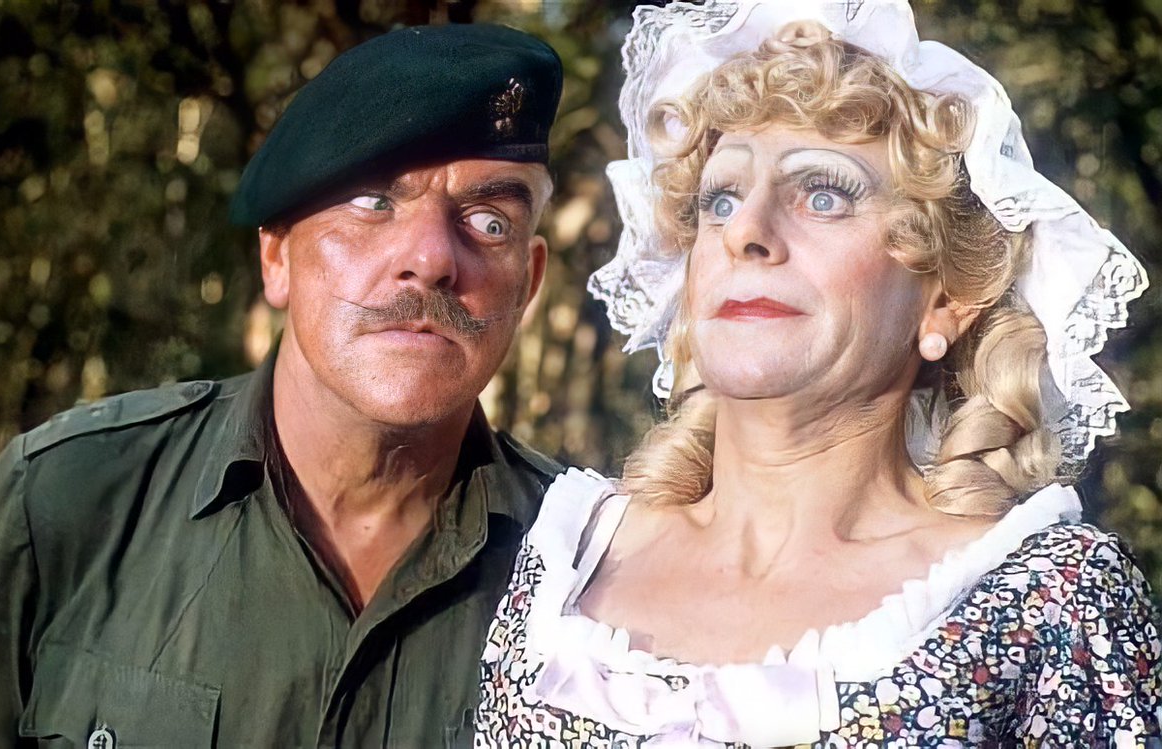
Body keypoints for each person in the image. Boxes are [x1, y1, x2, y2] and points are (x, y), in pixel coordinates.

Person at [475, 1, 1160, 746]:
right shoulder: (557, 557)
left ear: (945, 300)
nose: (745, 231)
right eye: (721, 200)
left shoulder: (1050, 596)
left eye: (824, 196)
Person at [0, 23, 562, 748]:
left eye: (489, 221)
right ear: (277, 257)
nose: (433, 258)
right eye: (373, 202)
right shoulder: (69, 501)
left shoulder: (585, 572)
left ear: (527, 285)